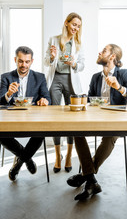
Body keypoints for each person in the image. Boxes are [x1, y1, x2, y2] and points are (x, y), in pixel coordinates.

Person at [67, 44, 127, 200]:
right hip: (97, 118)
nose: (99, 52)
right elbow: (90, 100)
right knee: (77, 132)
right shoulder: (96, 77)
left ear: (112, 57)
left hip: (117, 120)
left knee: (110, 136)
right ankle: (90, 180)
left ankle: (86, 176)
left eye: (104, 51)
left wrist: (119, 87)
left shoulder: (124, 74)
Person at [0, 46, 51, 181]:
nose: (24, 65)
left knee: (40, 134)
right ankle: (27, 159)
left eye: (27, 62)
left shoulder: (40, 77)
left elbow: (47, 98)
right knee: (2, 136)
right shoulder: (6, 77)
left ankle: (18, 164)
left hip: (33, 118)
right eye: (20, 61)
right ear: (15, 60)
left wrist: (45, 101)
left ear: (32, 61)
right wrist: (8, 93)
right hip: (11, 118)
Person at [44, 12, 85, 173]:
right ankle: (57, 155)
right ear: (67, 23)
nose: (76, 28)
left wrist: (74, 64)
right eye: (74, 24)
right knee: (55, 117)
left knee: (71, 118)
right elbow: (46, 61)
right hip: (55, 79)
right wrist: (53, 57)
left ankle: (68, 155)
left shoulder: (79, 43)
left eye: (79, 26)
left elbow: (82, 65)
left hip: (71, 80)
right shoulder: (54, 39)